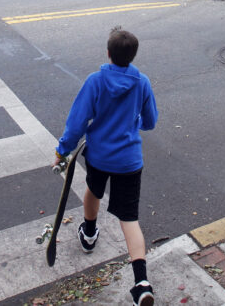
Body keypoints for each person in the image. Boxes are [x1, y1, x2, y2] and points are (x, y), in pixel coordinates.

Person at [54, 28, 158, 306]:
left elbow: (77, 123)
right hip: (129, 161)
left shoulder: (96, 81)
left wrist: (62, 150)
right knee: (129, 218)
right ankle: (141, 282)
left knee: (93, 190)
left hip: (99, 156)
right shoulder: (142, 82)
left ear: (108, 53)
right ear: (133, 56)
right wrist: (131, 123)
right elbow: (150, 121)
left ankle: (89, 233)